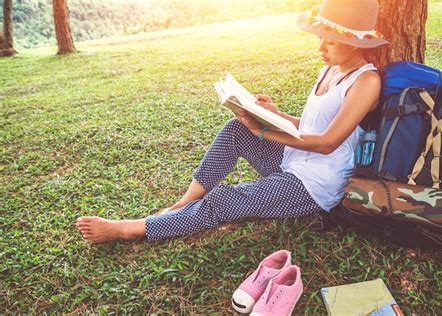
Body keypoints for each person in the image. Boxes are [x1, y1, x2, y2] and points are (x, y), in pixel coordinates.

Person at [76, 0, 389, 243]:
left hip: (314, 187)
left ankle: (133, 229)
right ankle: (181, 204)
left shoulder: (365, 82)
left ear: (355, 42)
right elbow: (313, 125)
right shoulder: (330, 69)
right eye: (321, 38)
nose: (320, 47)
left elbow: (328, 141)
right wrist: (273, 114)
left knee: (224, 200)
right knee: (237, 129)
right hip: (293, 162)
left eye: (330, 41)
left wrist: (265, 131)